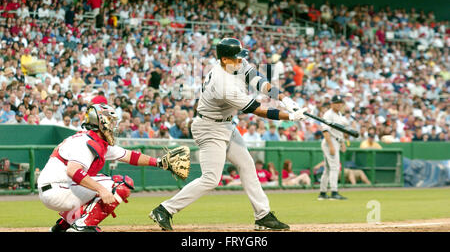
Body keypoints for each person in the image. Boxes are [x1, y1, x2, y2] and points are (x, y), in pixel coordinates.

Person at [150, 38, 307, 231]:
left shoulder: (235, 64)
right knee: (211, 179)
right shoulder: (222, 82)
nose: (241, 61)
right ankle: (164, 209)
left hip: (226, 125)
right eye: (237, 58)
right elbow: (256, 109)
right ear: (224, 59)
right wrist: (289, 116)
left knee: (247, 165)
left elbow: (258, 80)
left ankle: (263, 215)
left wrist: (284, 98)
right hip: (209, 128)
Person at [37, 104, 176, 232]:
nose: (114, 125)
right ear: (102, 121)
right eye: (111, 121)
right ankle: (83, 226)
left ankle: (63, 226)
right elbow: (73, 171)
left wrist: (159, 162)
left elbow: (130, 156)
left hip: (57, 187)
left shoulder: (94, 140)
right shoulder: (84, 142)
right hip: (59, 189)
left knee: (100, 181)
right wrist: (101, 190)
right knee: (120, 185)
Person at [318, 95, 348, 200]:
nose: (339, 104)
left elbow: (340, 131)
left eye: (340, 102)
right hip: (329, 141)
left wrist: (342, 143)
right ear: (332, 104)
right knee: (334, 167)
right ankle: (334, 192)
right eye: (337, 102)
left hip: (336, 141)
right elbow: (325, 131)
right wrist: (331, 146)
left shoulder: (339, 114)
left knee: (328, 169)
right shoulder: (328, 114)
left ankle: (322, 193)